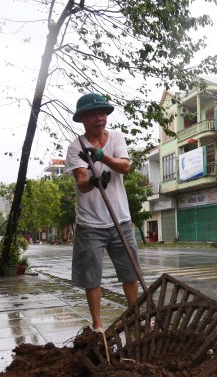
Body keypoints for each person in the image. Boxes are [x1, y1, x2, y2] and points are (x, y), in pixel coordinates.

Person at [64, 93, 140, 332]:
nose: (99, 118)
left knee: (130, 273)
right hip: (90, 223)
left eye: (103, 113)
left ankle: (135, 317)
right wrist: (95, 182)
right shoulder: (76, 146)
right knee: (92, 277)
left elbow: (125, 167)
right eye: (93, 114)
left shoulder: (116, 138)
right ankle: (97, 326)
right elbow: (81, 183)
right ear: (83, 118)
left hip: (120, 219)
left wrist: (101, 156)